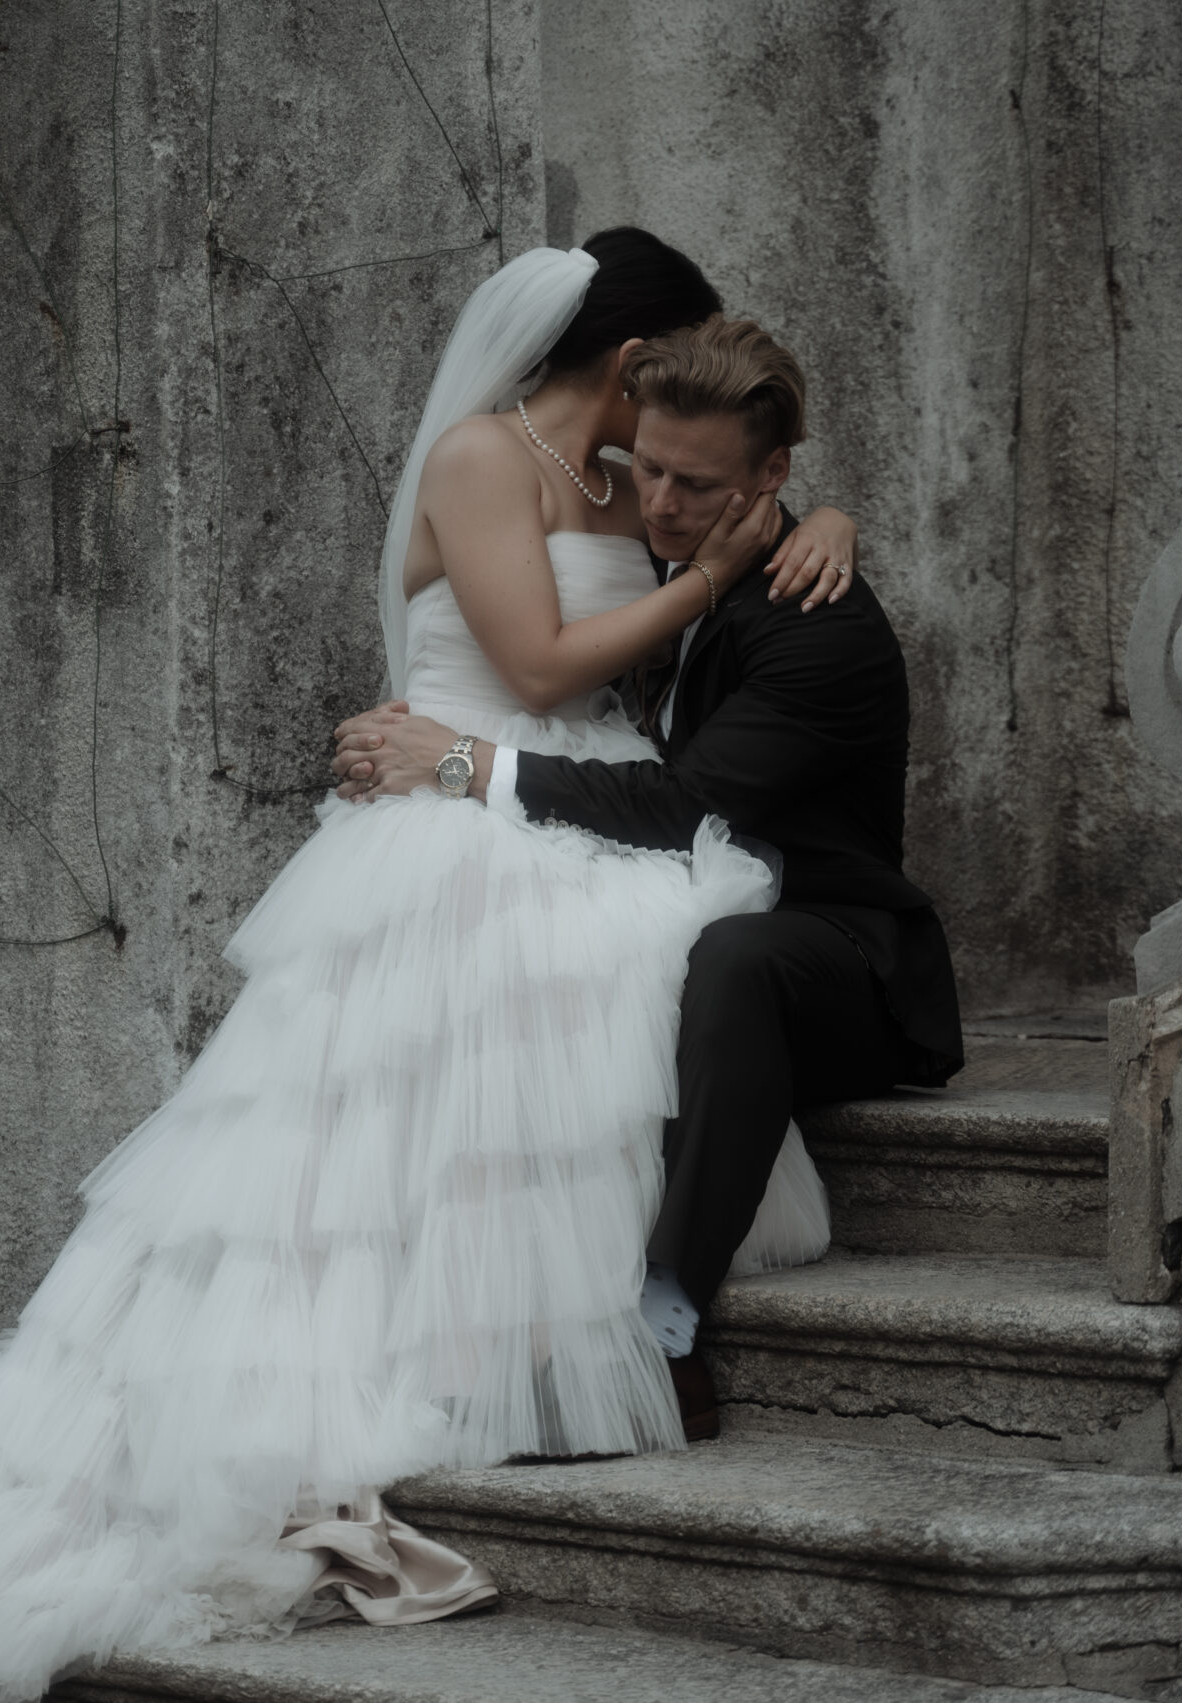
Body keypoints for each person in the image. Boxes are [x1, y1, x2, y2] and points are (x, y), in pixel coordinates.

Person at [0, 229, 863, 1703]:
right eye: (676, 375)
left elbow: (726, 495)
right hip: (465, 796)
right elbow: (532, 669)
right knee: (383, 1126)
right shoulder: (478, 455)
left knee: (624, 1011)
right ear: (638, 357)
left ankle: (548, 1342)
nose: (671, 456)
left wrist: (817, 514)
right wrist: (710, 577)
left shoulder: (619, 478)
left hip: (583, 797)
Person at [332, 314, 966, 1438]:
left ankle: (665, 1315)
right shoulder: (667, 559)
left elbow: (680, 807)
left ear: (772, 473)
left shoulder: (819, 626)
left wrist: (464, 761)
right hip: (697, 894)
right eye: (650, 469)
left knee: (729, 953)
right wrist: (402, 735)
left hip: (830, 949)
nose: (663, 507)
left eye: (697, 483)